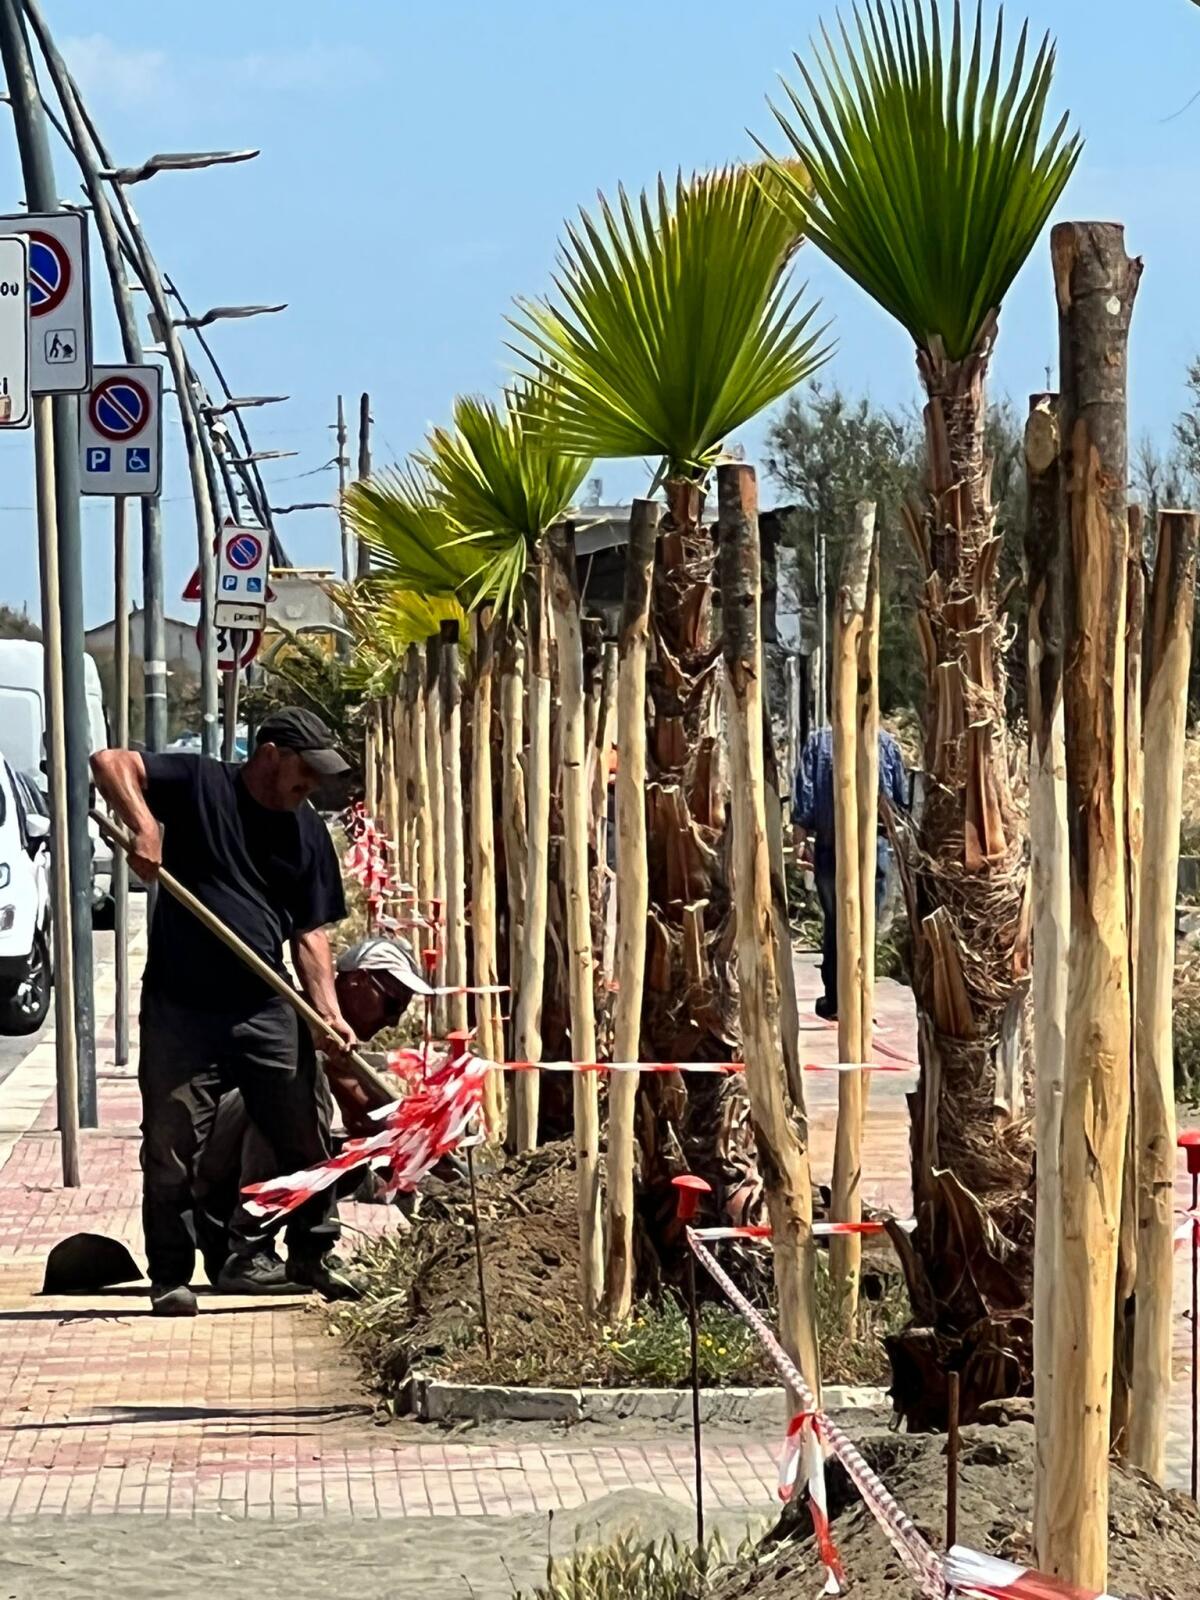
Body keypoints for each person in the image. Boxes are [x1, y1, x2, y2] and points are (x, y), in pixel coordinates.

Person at [91, 707, 360, 1318]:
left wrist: (327, 1014)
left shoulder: (307, 833)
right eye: (304, 773)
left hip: (267, 1005)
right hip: (181, 1009)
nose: (309, 787)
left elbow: (310, 933)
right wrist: (145, 827)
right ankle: (170, 1275)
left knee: (305, 1133)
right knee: (171, 1144)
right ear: (270, 754)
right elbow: (110, 762)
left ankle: (313, 1253)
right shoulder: (200, 783)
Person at [192, 936, 435, 1287]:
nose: (393, 1022)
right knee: (293, 1089)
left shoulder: (334, 1046)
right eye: (391, 1004)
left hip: (235, 1164)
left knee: (352, 1157)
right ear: (357, 981)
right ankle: (246, 1253)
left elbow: (370, 1115)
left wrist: (426, 1155)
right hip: (213, 1163)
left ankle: (296, 1254)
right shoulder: (293, 1020)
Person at [792, 724, 909, 1021]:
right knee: (865, 924)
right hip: (873, 852)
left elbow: (804, 800)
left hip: (831, 849)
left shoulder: (820, 742)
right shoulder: (885, 743)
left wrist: (799, 840)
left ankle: (836, 998)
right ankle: (858, 998)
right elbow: (897, 806)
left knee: (836, 924)